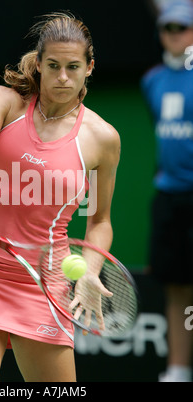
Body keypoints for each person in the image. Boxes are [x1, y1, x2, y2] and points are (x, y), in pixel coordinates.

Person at [0, 12, 120, 382]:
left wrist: (89, 271)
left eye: (73, 66)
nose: (63, 77)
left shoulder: (102, 139)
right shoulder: (4, 102)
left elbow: (100, 221)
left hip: (45, 285)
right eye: (53, 65)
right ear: (38, 64)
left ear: (90, 68)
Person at [141, 0, 193, 382]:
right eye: (168, 28)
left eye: (183, 27)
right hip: (170, 198)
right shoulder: (153, 81)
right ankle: (178, 370)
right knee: (177, 288)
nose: (174, 35)